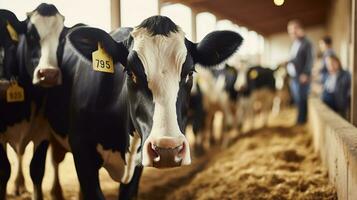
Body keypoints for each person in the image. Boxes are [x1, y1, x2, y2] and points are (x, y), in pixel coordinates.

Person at [287, 20, 313, 125]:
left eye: (294, 30)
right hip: (294, 76)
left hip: (301, 76)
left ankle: (301, 122)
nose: (292, 33)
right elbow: (295, 59)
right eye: (290, 31)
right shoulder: (294, 44)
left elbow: (310, 59)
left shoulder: (306, 43)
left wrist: (306, 73)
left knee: (302, 99)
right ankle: (299, 120)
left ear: (299, 29)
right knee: (297, 99)